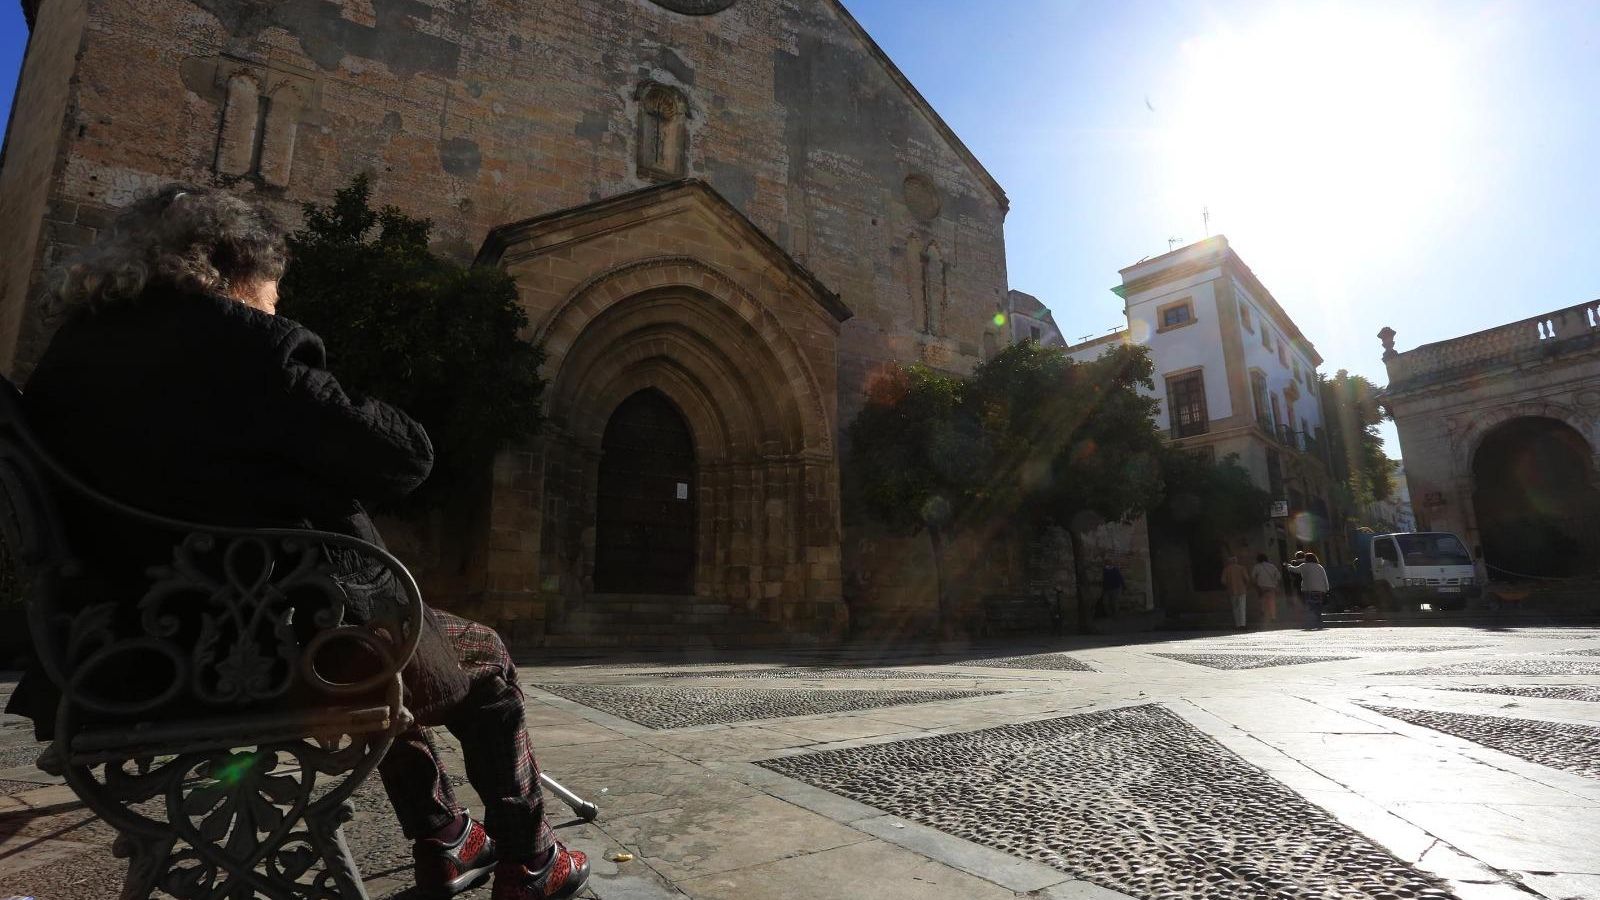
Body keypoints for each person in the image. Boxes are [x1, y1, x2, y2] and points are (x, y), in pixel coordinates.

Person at [4, 186, 588, 900]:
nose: (276, 302)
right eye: (273, 286)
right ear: (236, 268)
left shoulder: (69, 358)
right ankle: (532, 859)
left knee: (365, 647)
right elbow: (403, 457)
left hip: (114, 661)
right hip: (238, 657)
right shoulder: (238, 342)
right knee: (480, 656)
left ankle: (444, 834)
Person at [1286, 552, 1331, 630]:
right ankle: (1319, 624)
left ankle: (1310, 625)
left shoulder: (1304, 566)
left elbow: (1294, 569)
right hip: (1320, 591)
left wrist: (1288, 566)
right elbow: (1325, 578)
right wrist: (1326, 589)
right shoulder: (1320, 567)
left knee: (1310, 608)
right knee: (1318, 608)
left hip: (1309, 590)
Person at [1251, 553, 1282, 626]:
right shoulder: (1272, 566)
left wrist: (1256, 583)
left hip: (1261, 587)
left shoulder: (1257, 567)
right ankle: (1273, 617)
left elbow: (1253, 576)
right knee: (1272, 602)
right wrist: (1275, 582)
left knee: (1262, 601)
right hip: (1271, 587)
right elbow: (1278, 576)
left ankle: (1263, 613)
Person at [1220, 555, 1250, 629]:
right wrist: (1245, 585)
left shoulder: (1226, 569)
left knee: (1235, 608)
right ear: (1236, 560)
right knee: (1242, 607)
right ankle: (1243, 624)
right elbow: (1247, 579)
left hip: (1231, 591)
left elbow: (1223, 581)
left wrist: (1229, 585)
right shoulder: (1241, 568)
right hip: (1241, 590)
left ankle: (1237, 625)